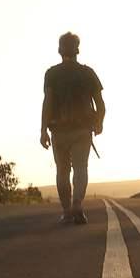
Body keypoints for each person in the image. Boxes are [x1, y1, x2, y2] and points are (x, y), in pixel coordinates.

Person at [40, 31, 105, 225]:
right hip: (82, 130)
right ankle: (78, 205)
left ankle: (67, 211)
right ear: (77, 50)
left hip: (58, 131)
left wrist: (43, 129)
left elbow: (47, 102)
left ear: (60, 50)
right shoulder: (87, 73)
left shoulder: (51, 74)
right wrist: (99, 122)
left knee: (62, 171)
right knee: (80, 168)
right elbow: (100, 104)